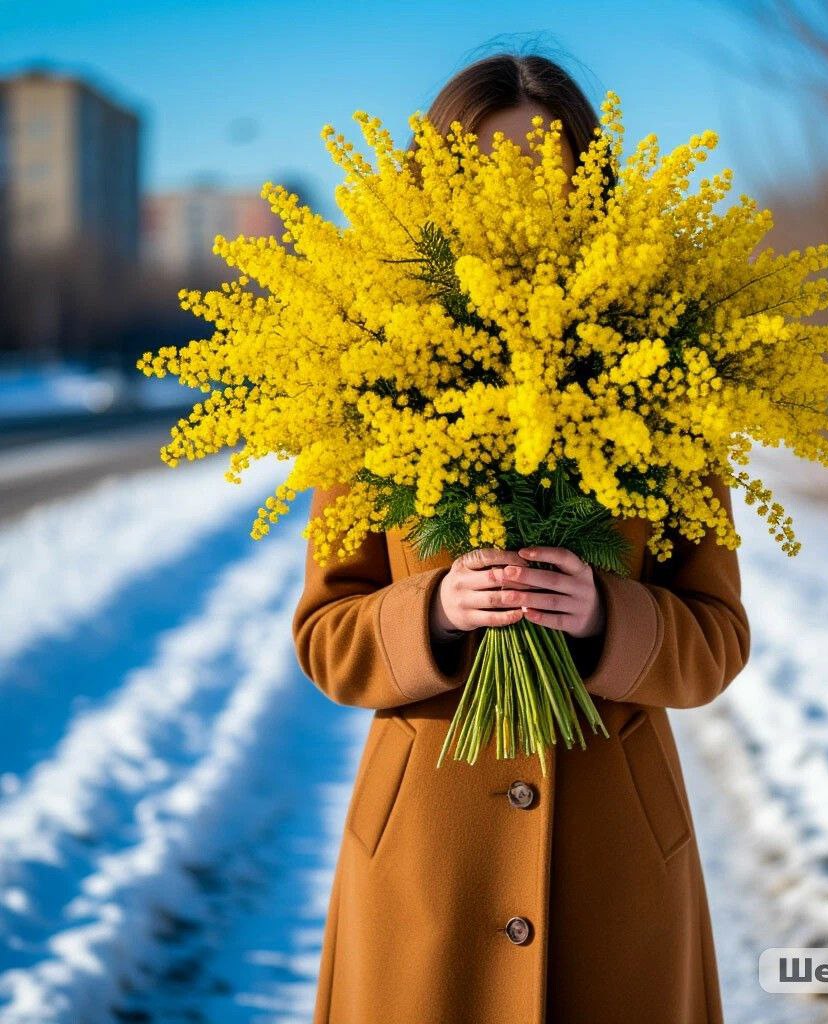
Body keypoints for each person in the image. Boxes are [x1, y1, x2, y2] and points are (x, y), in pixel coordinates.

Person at [291, 51, 752, 1024]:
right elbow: (324, 636)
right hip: (425, 869)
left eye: (545, 174)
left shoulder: (671, 376)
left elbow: (716, 641)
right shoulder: (365, 372)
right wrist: (435, 610)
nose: (517, 203)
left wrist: (605, 619)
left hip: (616, 872)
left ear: (590, 188)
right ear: (433, 191)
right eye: (484, 175)